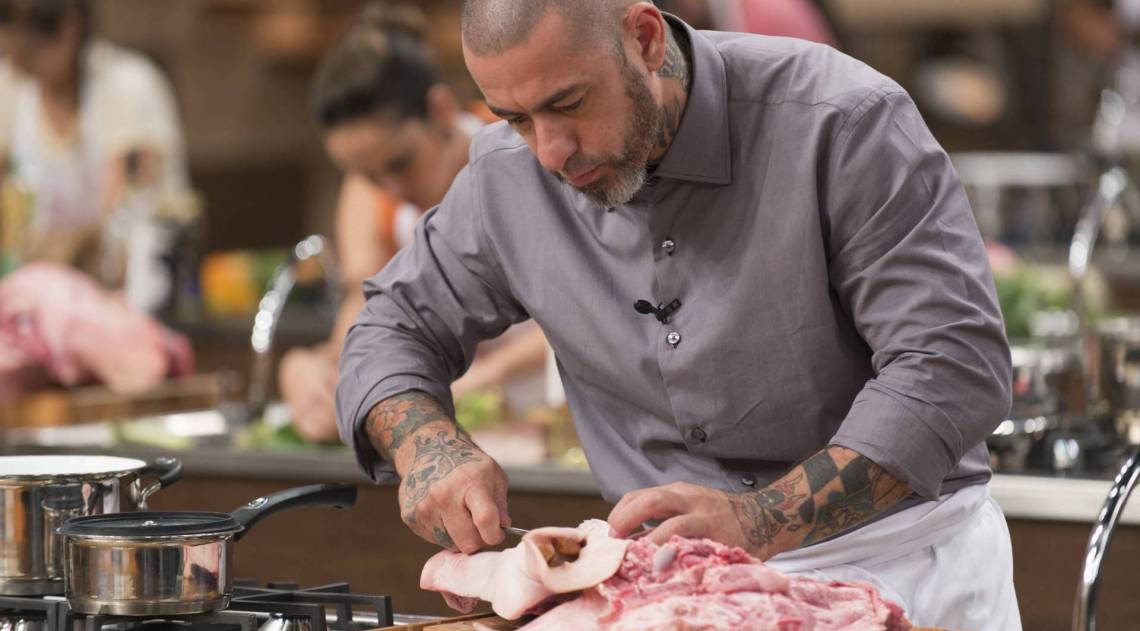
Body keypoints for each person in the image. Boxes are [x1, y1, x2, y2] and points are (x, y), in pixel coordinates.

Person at [336, 2, 1018, 628]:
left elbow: (949, 367)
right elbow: (393, 326)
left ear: (644, 38)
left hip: (898, 560)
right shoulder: (506, 176)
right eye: (514, 118)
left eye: (569, 103)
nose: (550, 151)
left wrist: (758, 518)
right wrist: (426, 444)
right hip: (671, 584)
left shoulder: (840, 119)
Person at [280, 4, 548, 443]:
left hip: (548, 419)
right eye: (367, 175)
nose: (391, 189)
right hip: (451, 432)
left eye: (400, 164)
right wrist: (308, 368)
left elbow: (583, 308)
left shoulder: (523, 149)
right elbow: (366, 316)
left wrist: (485, 377)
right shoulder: (371, 194)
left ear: (440, 110)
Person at [0, 0, 189, 306]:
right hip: (41, 297)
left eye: (27, 53)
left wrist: (64, 245)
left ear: (69, 30)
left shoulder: (127, 86)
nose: (16, 66)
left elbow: (120, 209)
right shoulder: (11, 87)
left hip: (129, 297)